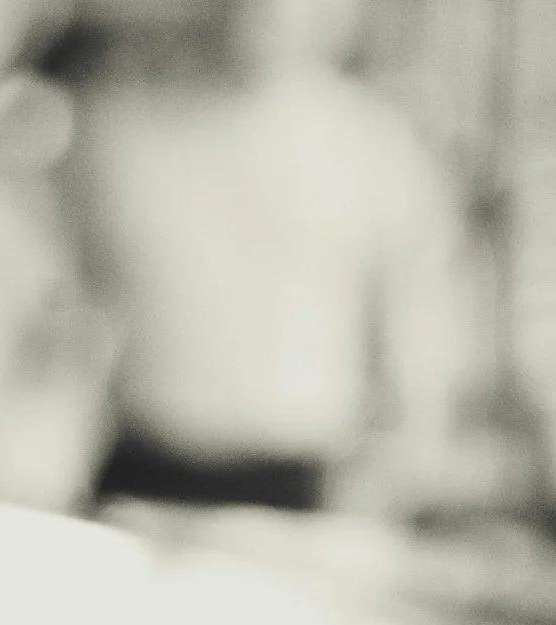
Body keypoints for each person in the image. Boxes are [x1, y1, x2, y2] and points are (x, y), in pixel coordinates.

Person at [56, 0, 460, 514]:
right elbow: (73, 309)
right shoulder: (123, 134)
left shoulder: (374, 148)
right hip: (144, 470)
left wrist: (399, 470)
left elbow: (417, 331)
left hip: (302, 480)